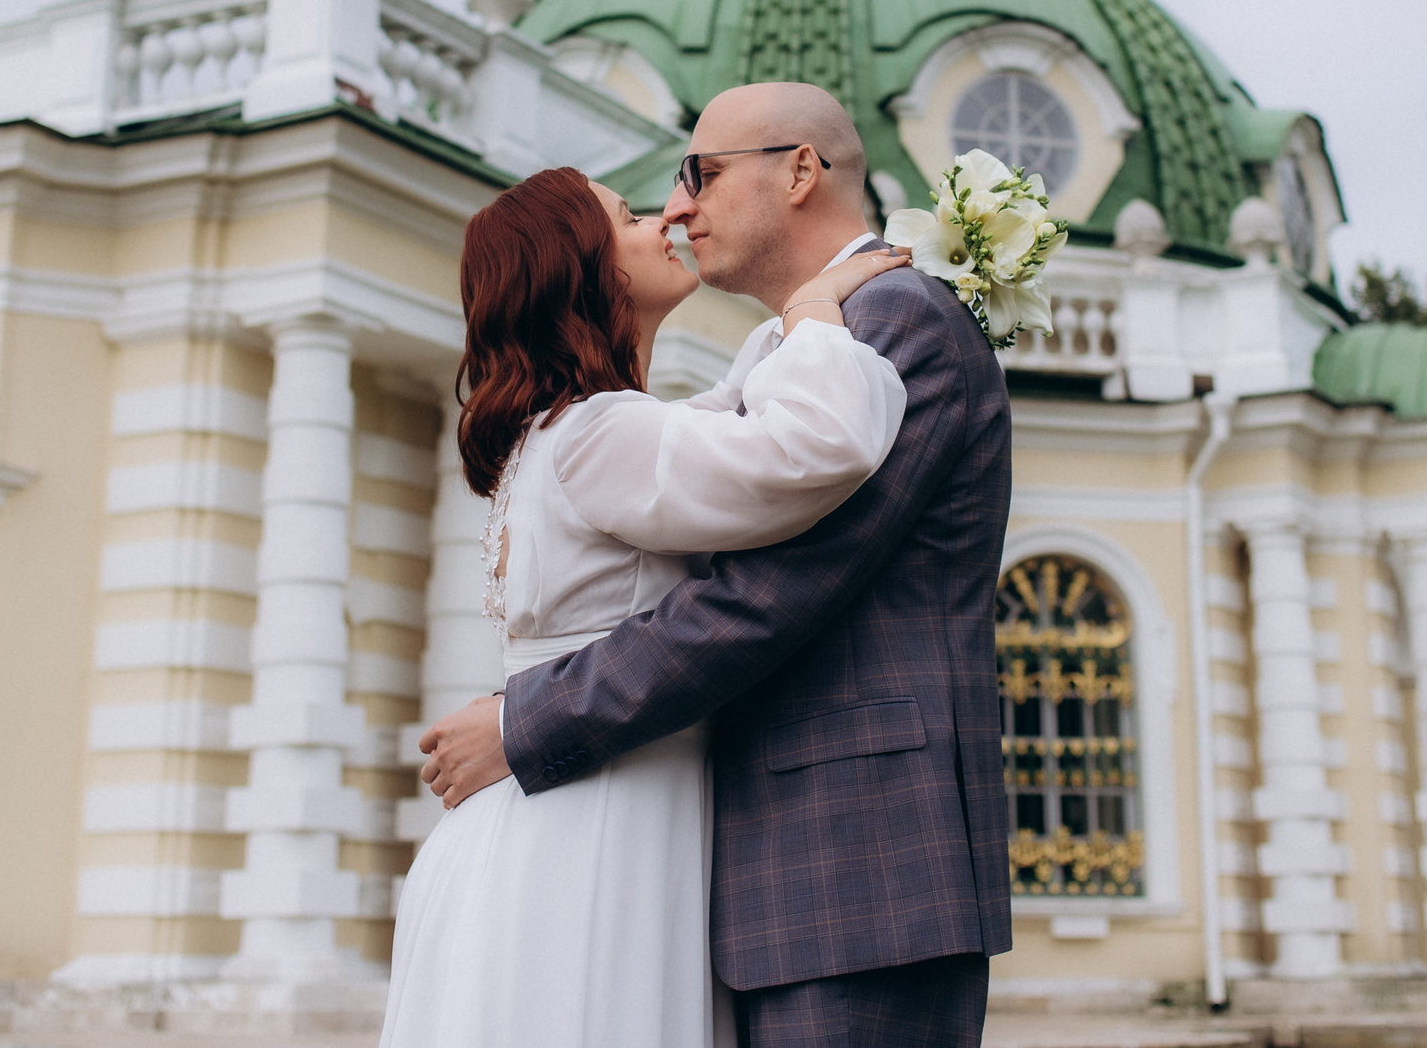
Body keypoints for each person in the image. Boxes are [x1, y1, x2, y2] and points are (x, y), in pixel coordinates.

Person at [419, 82, 1015, 1048]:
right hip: (712, 858)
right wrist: (808, 318)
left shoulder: (898, 320)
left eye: (699, 175)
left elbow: (766, 596)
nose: (678, 209)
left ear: (800, 170)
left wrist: (524, 721)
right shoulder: (741, 372)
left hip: (857, 866)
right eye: (654, 199)